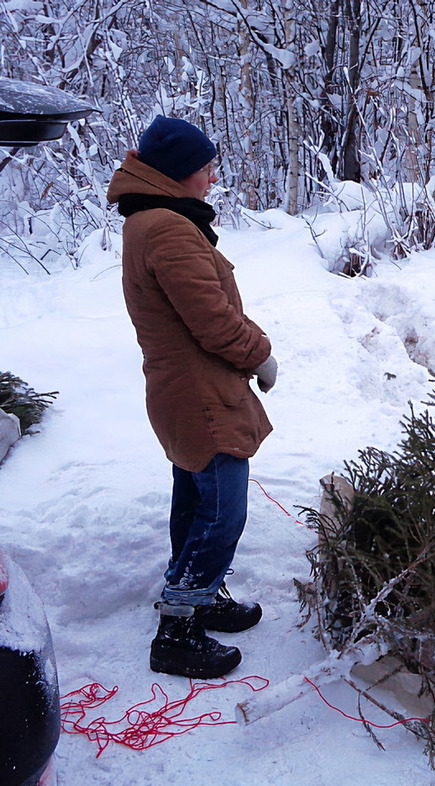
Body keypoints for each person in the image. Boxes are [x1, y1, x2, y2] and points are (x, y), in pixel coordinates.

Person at [107, 116, 278, 677]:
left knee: (196, 498)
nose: (211, 177)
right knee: (222, 512)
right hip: (199, 392)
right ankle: (177, 632)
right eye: (205, 168)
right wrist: (259, 354)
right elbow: (211, 320)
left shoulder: (153, 220)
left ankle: (200, 599)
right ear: (180, 172)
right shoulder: (169, 229)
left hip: (184, 387)